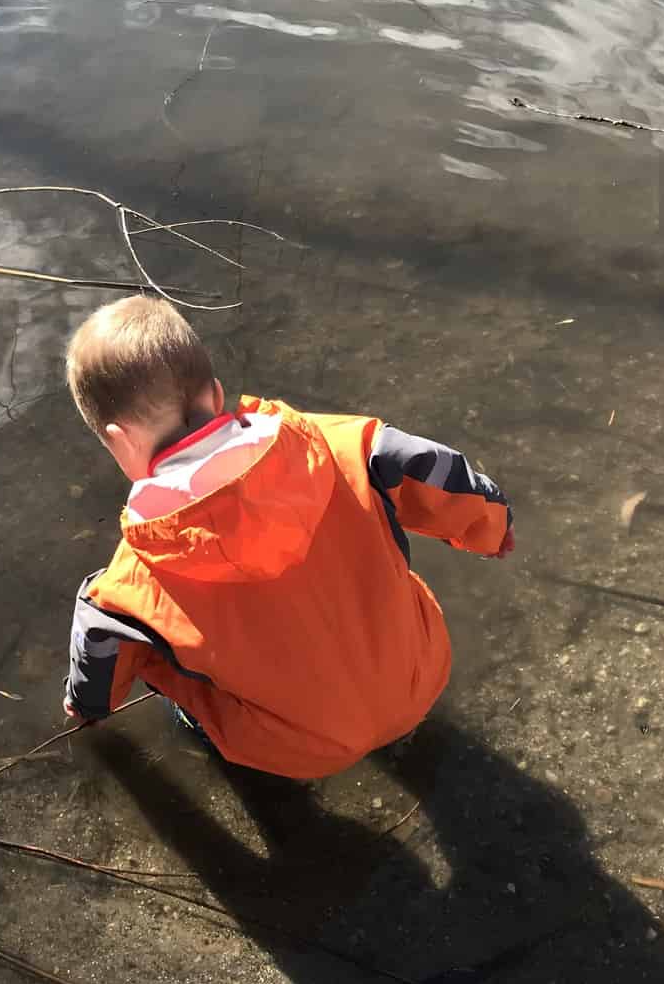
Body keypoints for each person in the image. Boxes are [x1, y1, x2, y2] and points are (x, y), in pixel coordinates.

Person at [61, 295, 513, 779]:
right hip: (420, 677)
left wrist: (86, 705)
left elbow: (100, 643)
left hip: (302, 751)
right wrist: (492, 530)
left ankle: (198, 723)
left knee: (148, 645)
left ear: (119, 438)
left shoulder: (131, 578)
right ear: (215, 396)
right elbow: (440, 472)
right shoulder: (345, 446)